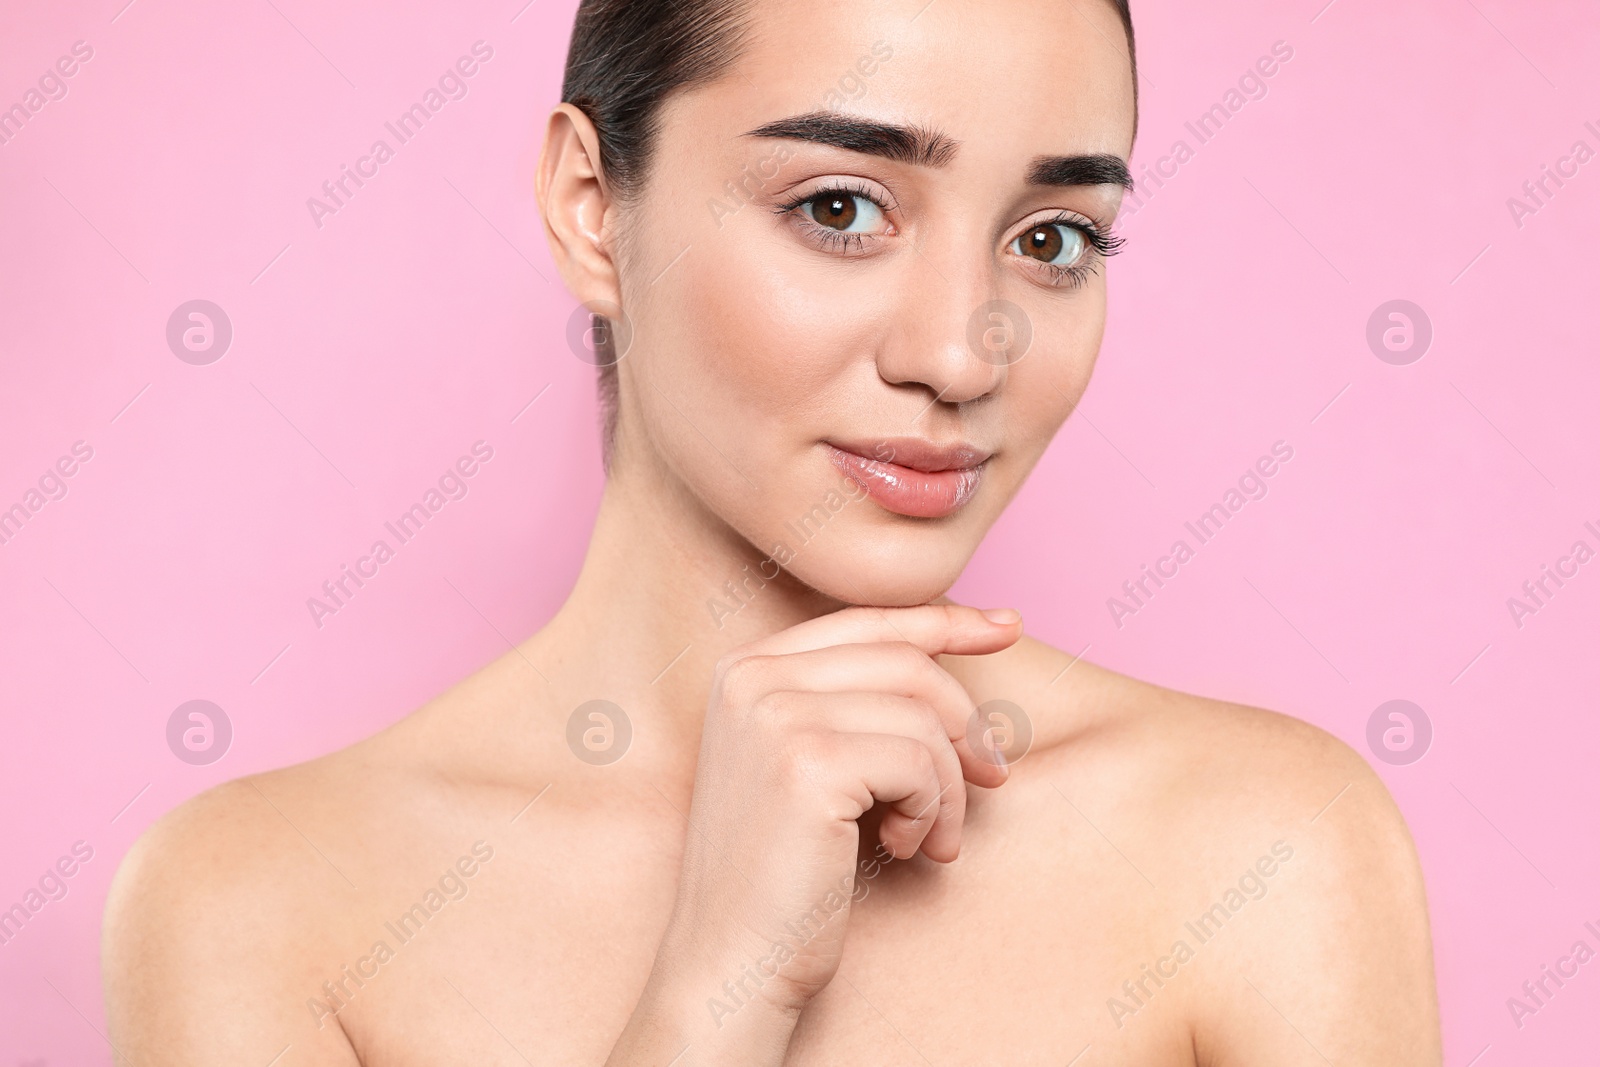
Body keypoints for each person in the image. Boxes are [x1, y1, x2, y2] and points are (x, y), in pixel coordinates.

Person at [103, 0, 1442, 1062]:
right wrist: (714, 999)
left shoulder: (1268, 850)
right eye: (841, 208)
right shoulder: (257, 913)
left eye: (1054, 238)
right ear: (591, 206)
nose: (962, 352)